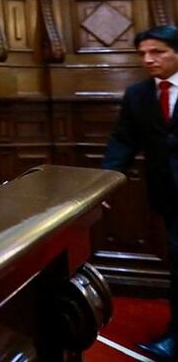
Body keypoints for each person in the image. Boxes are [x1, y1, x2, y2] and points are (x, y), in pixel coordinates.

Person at [102, 25, 178, 361]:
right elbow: (124, 140)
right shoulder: (138, 95)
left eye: (157, 52)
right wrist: (105, 183)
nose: (148, 60)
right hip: (169, 197)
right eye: (143, 54)